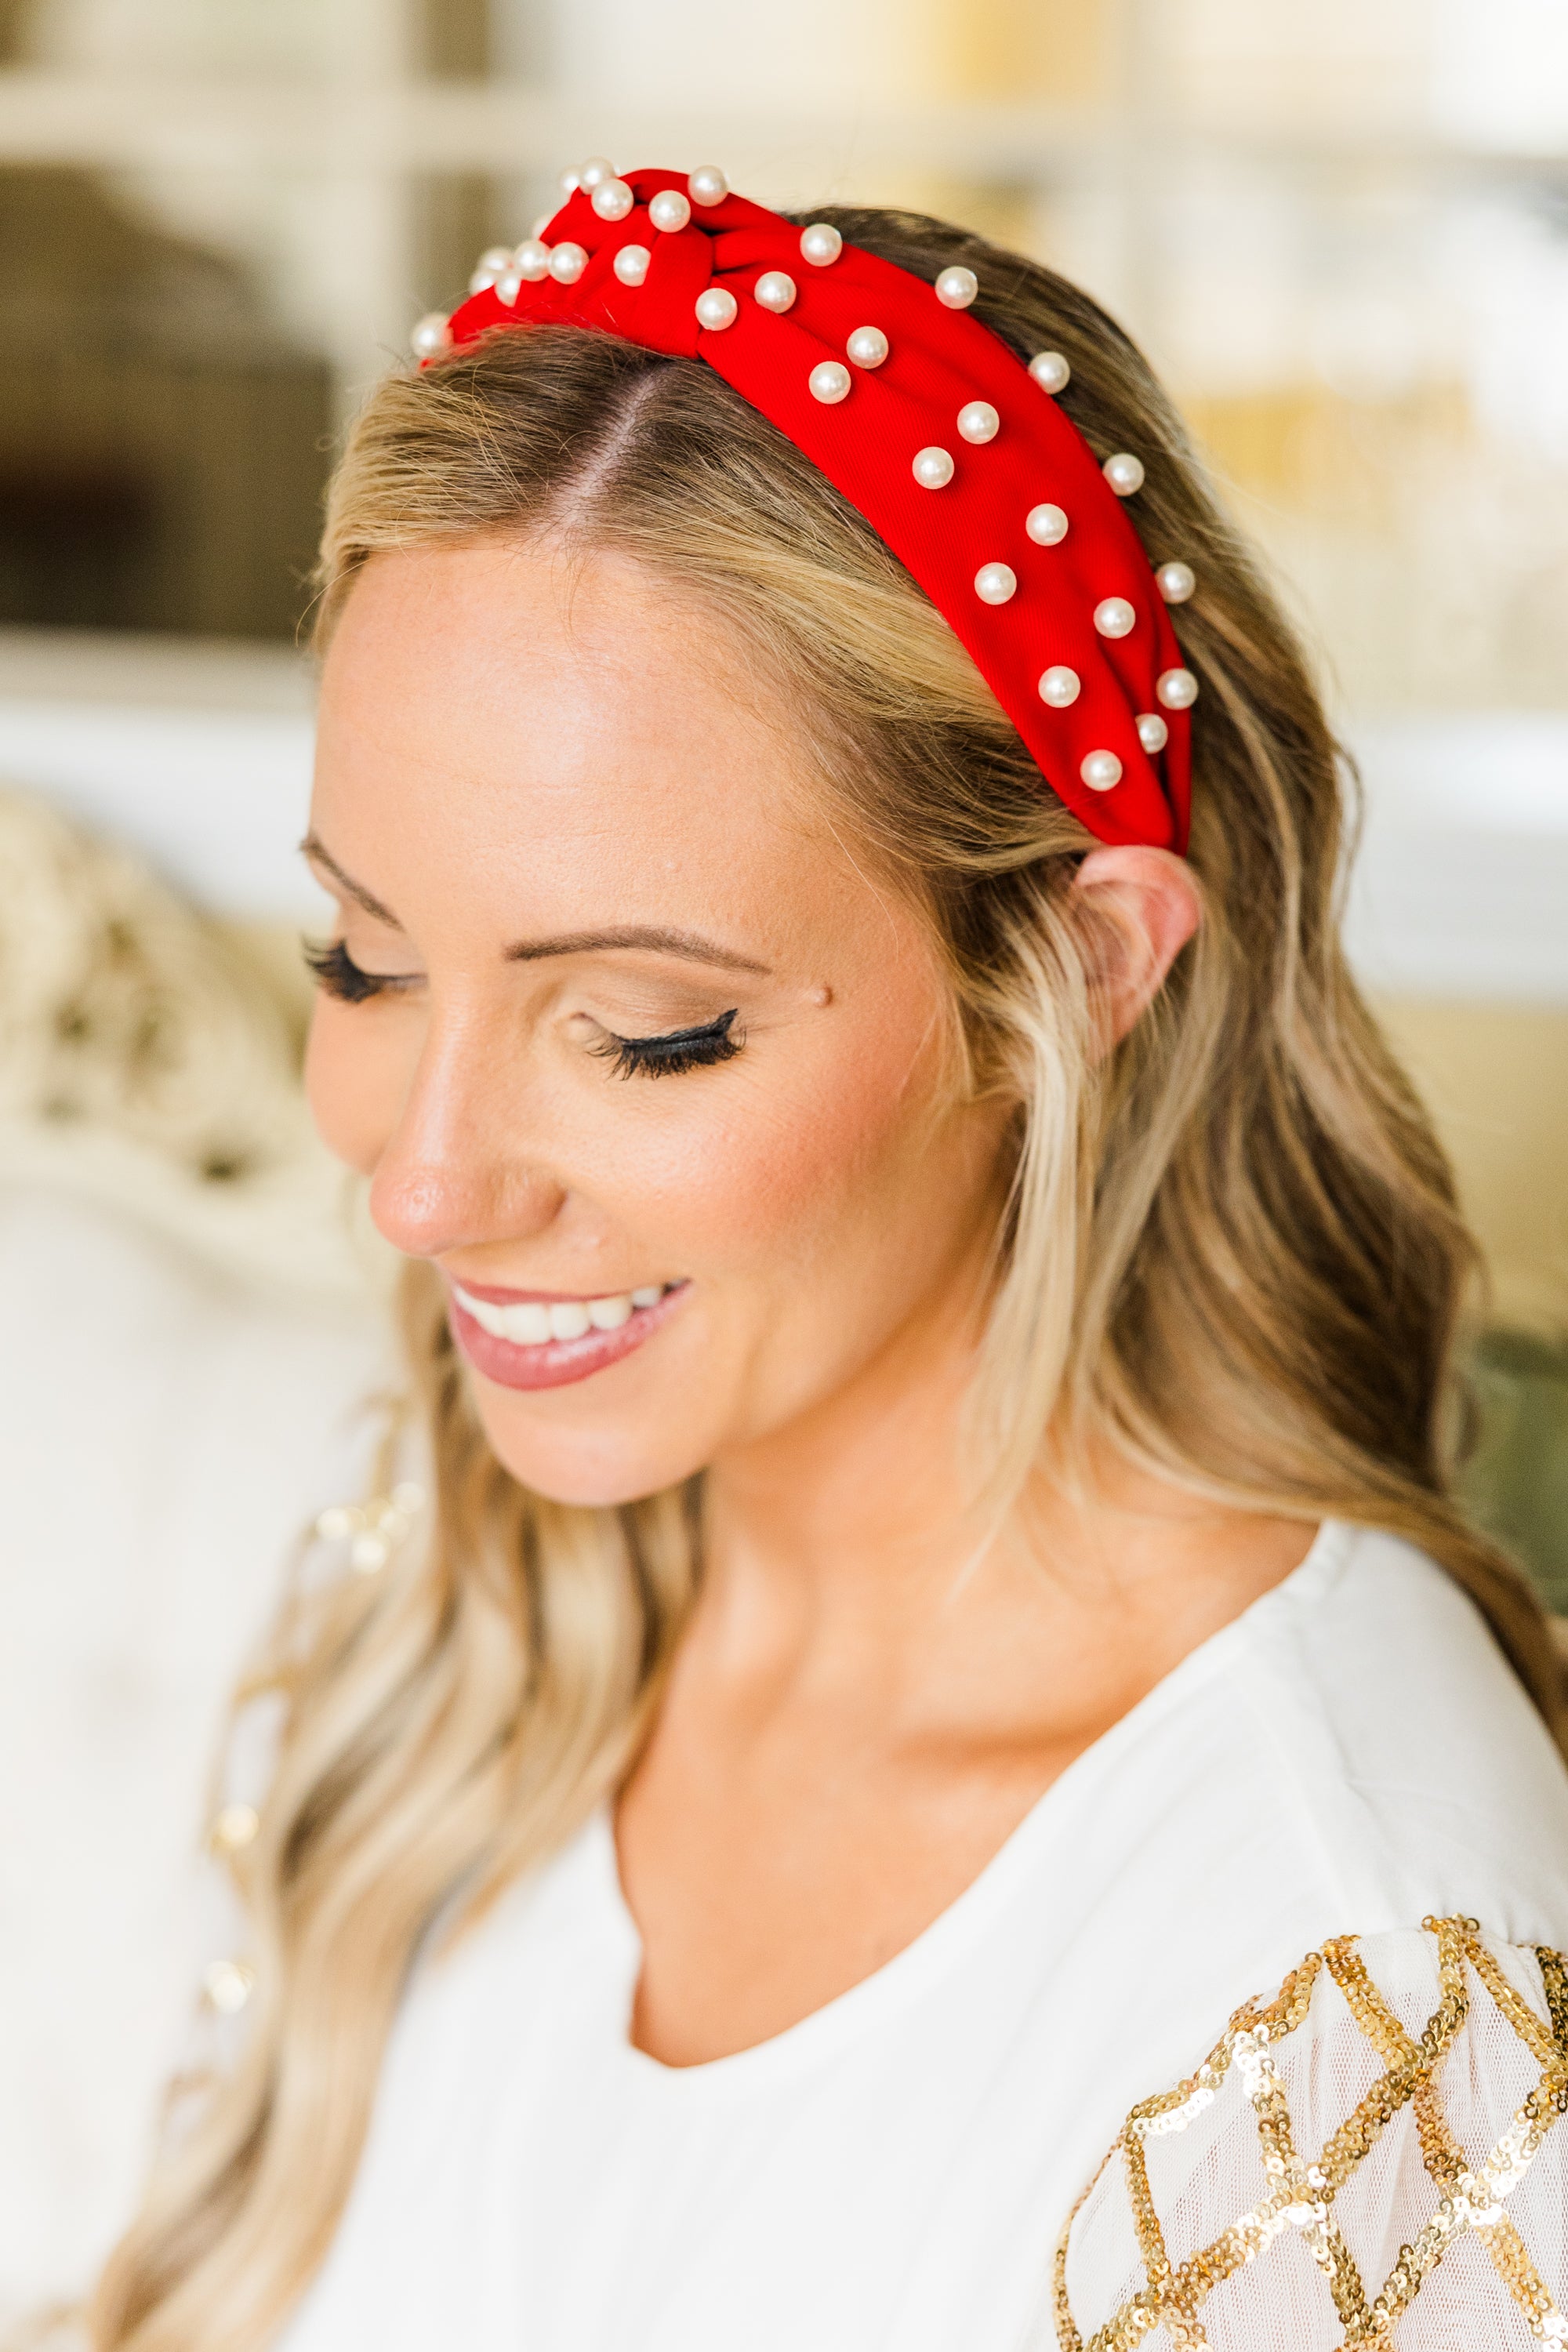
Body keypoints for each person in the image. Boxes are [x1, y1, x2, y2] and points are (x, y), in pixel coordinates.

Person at [90, 165, 1568, 2352]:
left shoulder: (1354, 2028)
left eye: (643, 1030)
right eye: (363, 962)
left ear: (1074, 972)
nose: (424, 1191)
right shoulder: (460, 1579)